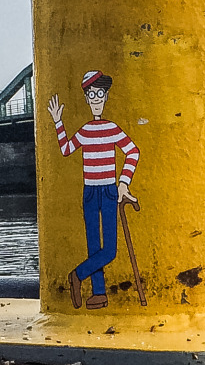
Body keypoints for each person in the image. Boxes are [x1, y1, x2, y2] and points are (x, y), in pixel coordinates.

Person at [48, 70, 140, 310]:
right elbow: (66, 149)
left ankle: (77, 275)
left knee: (109, 250)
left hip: (109, 190)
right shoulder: (86, 131)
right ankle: (99, 293)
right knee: (93, 246)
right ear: (87, 99)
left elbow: (133, 151)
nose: (96, 99)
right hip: (90, 191)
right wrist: (58, 122)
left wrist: (123, 183)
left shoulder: (112, 128)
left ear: (106, 97)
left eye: (100, 94)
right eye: (92, 94)